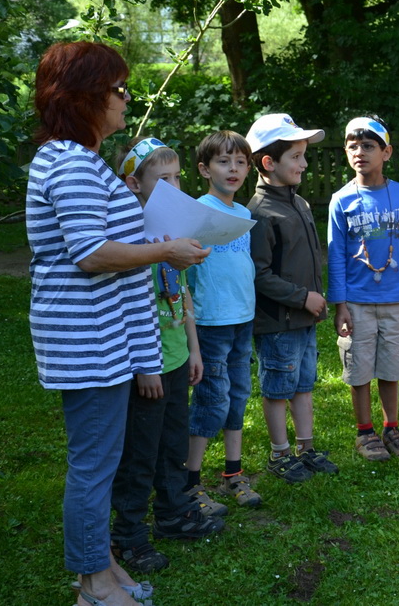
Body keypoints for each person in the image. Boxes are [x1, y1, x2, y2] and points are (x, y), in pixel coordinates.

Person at [27, 40, 208, 606]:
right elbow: (91, 253)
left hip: (101, 340)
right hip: (88, 343)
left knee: (101, 462)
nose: (126, 98)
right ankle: (93, 586)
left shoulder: (77, 160)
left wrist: (160, 246)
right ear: (86, 96)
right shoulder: (72, 163)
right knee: (94, 465)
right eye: (118, 89)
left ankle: (102, 564)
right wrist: (166, 252)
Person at [109, 139, 224, 579]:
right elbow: (128, 307)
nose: (175, 187)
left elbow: (182, 293)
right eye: (163, 180)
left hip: (176, 359)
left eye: (178, 178)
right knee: (141, 452)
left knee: (173, 443)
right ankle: (128, 535)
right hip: (148, 366)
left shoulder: (173, 234)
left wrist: (193, 348)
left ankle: (174, 513)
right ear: (133, 184)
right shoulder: (129, 239)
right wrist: (145, 366)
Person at [245, 113, 339, 482]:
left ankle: (306, 449)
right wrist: (303, 298)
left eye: (304, 155)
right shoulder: (260, 212)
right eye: (296, 157)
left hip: (303, 319)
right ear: (269, 163)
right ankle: (279, 454)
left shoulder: (299, 204)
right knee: (277, 389)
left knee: (303, 385)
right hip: (278, 323)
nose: (304, 164)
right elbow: (259, 274)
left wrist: (311, 301)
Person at [328, 116, 399, 461]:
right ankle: (364, 431)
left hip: (395, 300)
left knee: (391, 366)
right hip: (357, 302)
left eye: (368, 146)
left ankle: (391, 427)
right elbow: (336, 255)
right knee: (359, 367)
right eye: (353, 146)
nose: (360, 153)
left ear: (387, 152)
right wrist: (340, 304)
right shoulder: (341, 200)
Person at [184, 131, 262, 510]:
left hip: (242, 319)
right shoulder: (198, 212)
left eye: (240, 162)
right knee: (211, 401)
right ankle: (189, 482)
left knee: (238, 396)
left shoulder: (244, 214)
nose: (233, 169)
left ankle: (233, 473)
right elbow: (186, 274)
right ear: (204, 169)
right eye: (223, 161)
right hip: (211, 322)